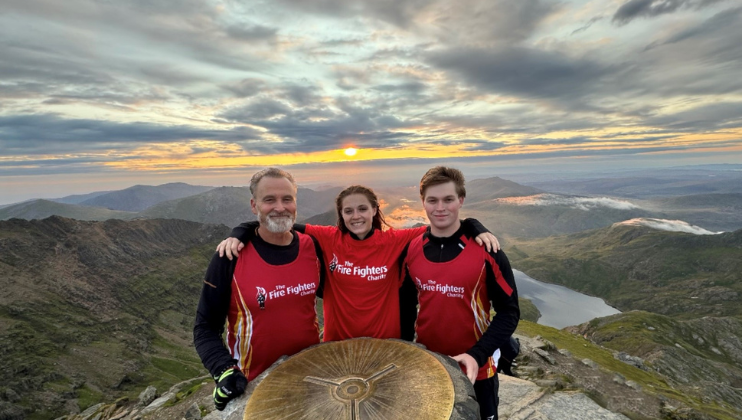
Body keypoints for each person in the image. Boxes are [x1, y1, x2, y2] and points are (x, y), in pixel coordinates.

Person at [217, 185, 500, 342]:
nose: (356, 216)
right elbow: (278, 223)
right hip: (336, 344)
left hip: (385, 344)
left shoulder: (394, 240)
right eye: (348, 211)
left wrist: (475, 226)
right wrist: (240, 231)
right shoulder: (328, 237)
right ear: (340, 214)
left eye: (363, 209)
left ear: (375, 210)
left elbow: (445, 226)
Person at [193, 168, 326, 411]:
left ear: (296, 203)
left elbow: (338, 291)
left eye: (287, 199)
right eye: (269, 200)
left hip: (311, 375)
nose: (280, 207)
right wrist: (224, 371)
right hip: (254, 384)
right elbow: (205, 328)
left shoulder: (312, 246)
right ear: (254, 206)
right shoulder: (229, 257)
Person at [401, 166, 519, 420]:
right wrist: (405, 351)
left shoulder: (488, 251)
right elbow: (406, 306)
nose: (440, 207)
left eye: (448, 199)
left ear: (461, 200)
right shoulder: (412, 249)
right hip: (431, 364)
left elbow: (509, 312)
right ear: (423, 202)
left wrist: (476, 356)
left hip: (478, 368)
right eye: (432, 200)